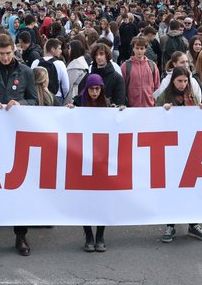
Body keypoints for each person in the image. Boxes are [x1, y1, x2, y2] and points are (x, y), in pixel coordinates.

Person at [0, 34, 38, 256]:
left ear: (14, 50)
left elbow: (34, 101)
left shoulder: (26, 72)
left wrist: (18, 103)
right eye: (1, 54)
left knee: (18, 190)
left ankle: (20, 236)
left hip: (17, 138)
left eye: (8, 53)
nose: (4, 57)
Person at [154, 66, 202, 243]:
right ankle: (170, 225)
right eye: (180, 81)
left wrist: (201, 110)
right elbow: (154, 119)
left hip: (189, 148)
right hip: (171, 149)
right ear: (173, 81)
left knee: (192, 187)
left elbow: (197, 120)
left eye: (185, 81)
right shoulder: (165, 96)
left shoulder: (191, 96)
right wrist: (163, 111)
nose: (183, 84)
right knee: (172, 187)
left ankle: (193, 224)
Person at [66, 73, 121, 251]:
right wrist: (68, 110)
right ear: (86, 89)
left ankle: (100, 235)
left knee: (102, 199)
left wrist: (119, 112)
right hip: (82, 158)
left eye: (98, 89)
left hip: (102, 160)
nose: (95, 92)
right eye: (91, 89)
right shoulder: (77, 102)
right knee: (85, 200)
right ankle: (88, 235)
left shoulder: (107, 104)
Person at [122, 36, 161, 107]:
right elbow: (122, 87)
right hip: (132, 106)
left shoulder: (152, 65)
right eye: (137, 48)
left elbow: (157, 86)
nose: (139, 51)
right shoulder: (126, 66)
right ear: (133, 48)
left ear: (145, 49)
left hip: (149, 106)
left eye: (142, 48)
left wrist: (155, 102)